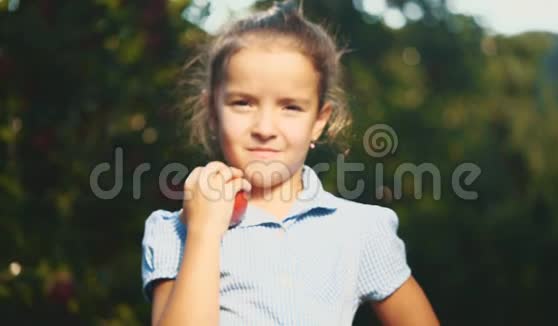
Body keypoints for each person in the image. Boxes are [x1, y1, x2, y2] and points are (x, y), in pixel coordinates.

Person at [141, 1, 439, 325]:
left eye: (291, 107)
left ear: (319, 121)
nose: (265, 129)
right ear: (213, 112)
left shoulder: (360, 230)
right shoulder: (174, 231)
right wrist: (203, 232)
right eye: (243, 103)